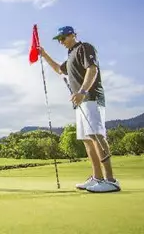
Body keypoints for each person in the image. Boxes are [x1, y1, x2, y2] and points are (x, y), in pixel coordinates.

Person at [39, 26, 121, 193]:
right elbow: (58, 70)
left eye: (63, 38)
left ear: (73, 35)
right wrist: (44, 54)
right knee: (86, 139)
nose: (61, 42)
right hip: (80, 102)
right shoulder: (70, 56)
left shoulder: (84, 48)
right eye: (59, 39)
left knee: (96, 135)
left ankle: (111, 180)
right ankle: (97, 178)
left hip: (91, 98)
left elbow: (92, 69)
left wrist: (83, 92)